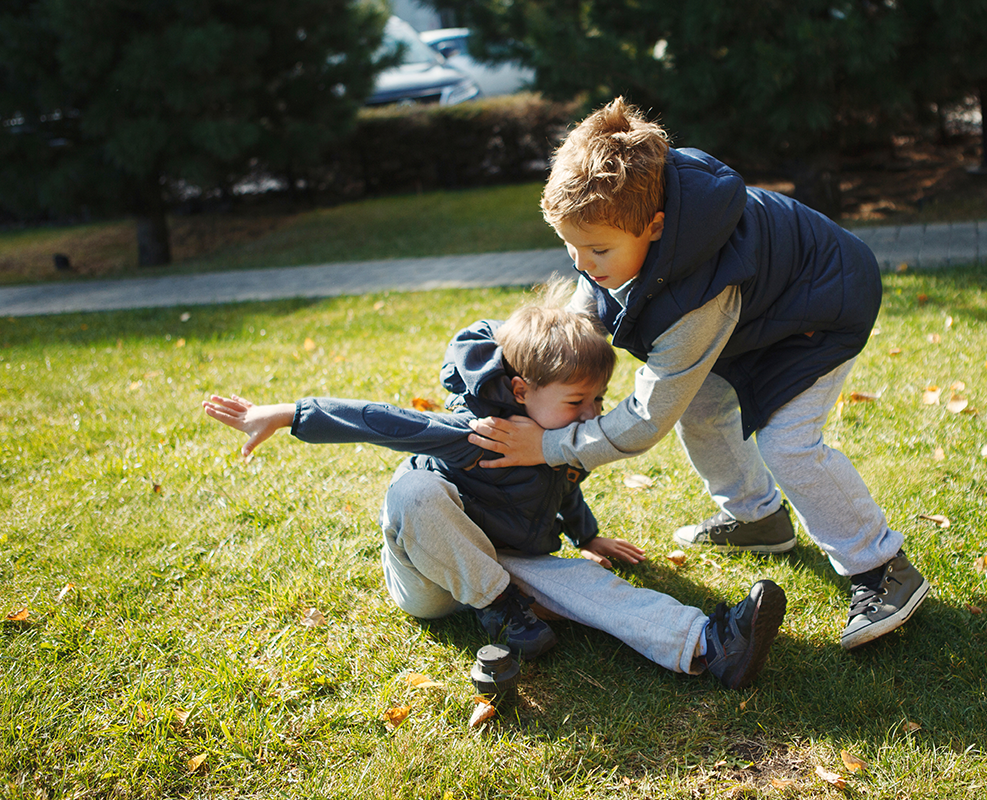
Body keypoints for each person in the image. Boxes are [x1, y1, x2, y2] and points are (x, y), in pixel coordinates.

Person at [466, 99, 930, 651]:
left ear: (655, 228)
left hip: (819, 311)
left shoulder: (697, 298)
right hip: (754, 318)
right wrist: (517, 360)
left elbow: (645, 420)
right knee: (703, 411)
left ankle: (882, 566)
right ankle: (758, 519)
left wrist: (548, 446)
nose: (583, 263)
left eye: (597, 249)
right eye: (570, 247)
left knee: (788, 445)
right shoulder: (626, 230)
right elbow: (582, 320)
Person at [202, 283, 786, 689]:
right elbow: (377, 420)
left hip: (503, 568)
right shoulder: (476, 431)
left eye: (598, 400)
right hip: (432, 578)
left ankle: (710, 646)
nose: (591, 414)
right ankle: (507, 609)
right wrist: (286, 413)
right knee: (412, 491)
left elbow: (561, 488)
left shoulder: (561, 440)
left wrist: (588, 537)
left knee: (589, 585)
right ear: (522, 392)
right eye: (578, 401)